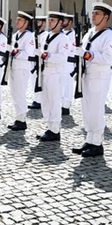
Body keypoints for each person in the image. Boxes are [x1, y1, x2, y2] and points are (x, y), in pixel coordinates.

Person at [72, 2, 112, 157]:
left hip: (99, 75)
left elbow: (109, 59)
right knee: (86, 109)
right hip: (87, 75)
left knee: (96, 109)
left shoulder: (110, 36)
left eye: (97, 13)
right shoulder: (89, 33)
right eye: (93, 13)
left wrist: (87, 55)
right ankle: (89, 139)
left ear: (106, 17)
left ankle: (97, 143)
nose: (93, 16)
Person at [37, 12, 71, 141]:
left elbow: (62, 57)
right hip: (45, 72)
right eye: (49, 20)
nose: (50, 22)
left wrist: (46, 56)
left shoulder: (63, 39)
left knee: (54, 101)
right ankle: (49, 126)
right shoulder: (46, 36)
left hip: (56, 73)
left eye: (53, 20)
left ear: (60, 22)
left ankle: (55, 129)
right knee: (45, 101)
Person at [7, 11, 35, 131]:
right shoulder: (16, 35)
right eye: (17, 19)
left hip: (23, 67)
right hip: (14, 67)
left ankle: (22, 120)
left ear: (26, 22)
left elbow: (29, 53)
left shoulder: (29, 36)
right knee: (14, 93)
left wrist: (15, 52)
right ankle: (18, 117)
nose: (16, 22)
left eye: (19, 20)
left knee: (20, 93)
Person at [28, 15, 48, 110]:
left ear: (44, 23)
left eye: (39, 22)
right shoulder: (32, 35)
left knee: (39, 81)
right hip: (32, 61)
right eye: (36, 22)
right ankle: (36, 99)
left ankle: (40, 100)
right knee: (33, 81)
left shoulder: (46, 35)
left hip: (40, 61)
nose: (37, 24)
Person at [61, 13, 75, 115]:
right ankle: (60, 104)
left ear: (70, 22)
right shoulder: (60, 34)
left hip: (69, 63)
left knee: (67, 85)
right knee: (60, 84)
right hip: (60, 63)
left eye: (65, 21)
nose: (62, 23)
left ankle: (66, 106)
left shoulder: (74, 35)